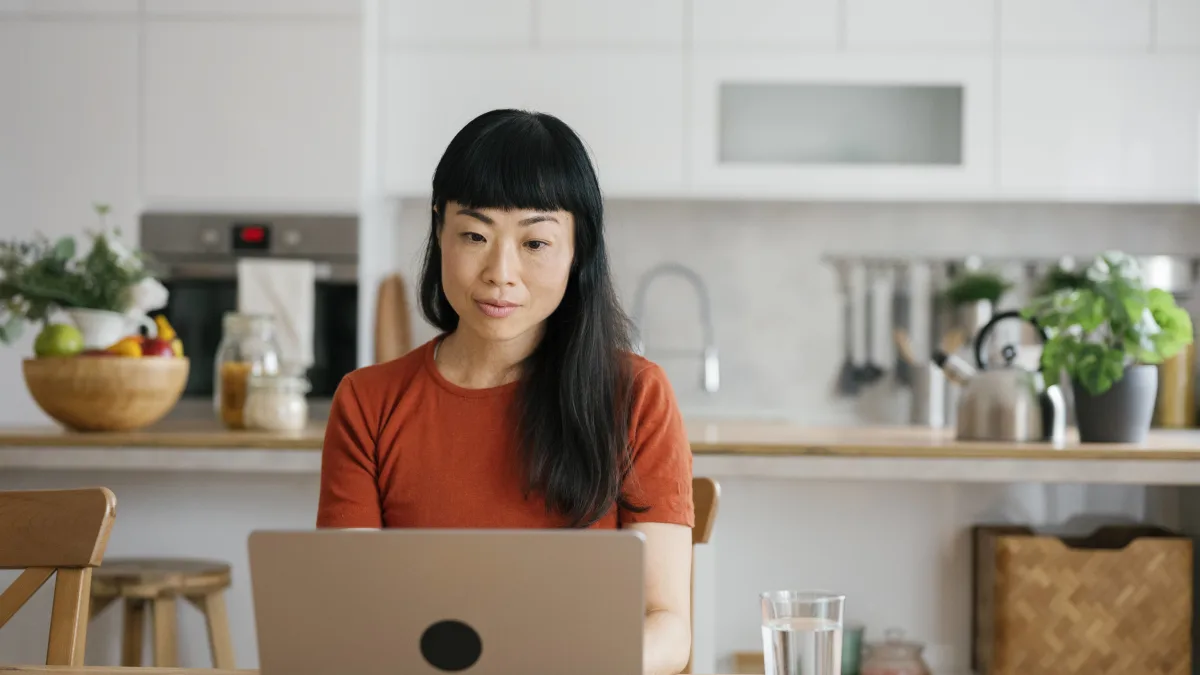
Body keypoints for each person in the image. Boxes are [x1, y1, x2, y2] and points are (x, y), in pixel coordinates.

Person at [316, 108, 695, 675]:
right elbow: (350, 617)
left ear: (578, 251)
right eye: (474, 234)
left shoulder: (635, 396)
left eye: (535, 243)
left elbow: (666, 623)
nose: (500, 271)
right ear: (439, 233)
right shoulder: (367, 403)